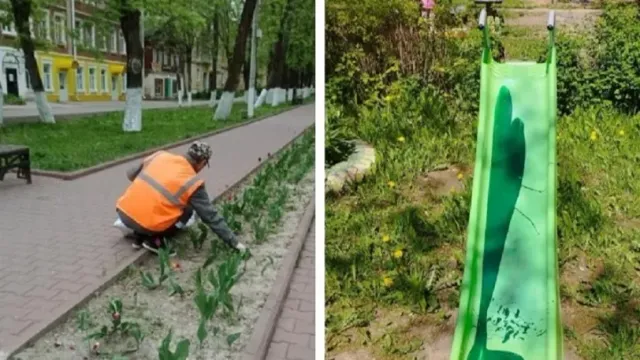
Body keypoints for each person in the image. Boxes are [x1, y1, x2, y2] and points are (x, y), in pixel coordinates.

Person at [113, 141, 247, 256]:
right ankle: (155, 241)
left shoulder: (160, 156)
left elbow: (130, 175)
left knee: (154, 201)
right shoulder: (192, 182)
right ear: (202, 163)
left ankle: (138, 237)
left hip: (123, 213)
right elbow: (210, 216)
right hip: (147, 224)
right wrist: (234, 243)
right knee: (187, 210)